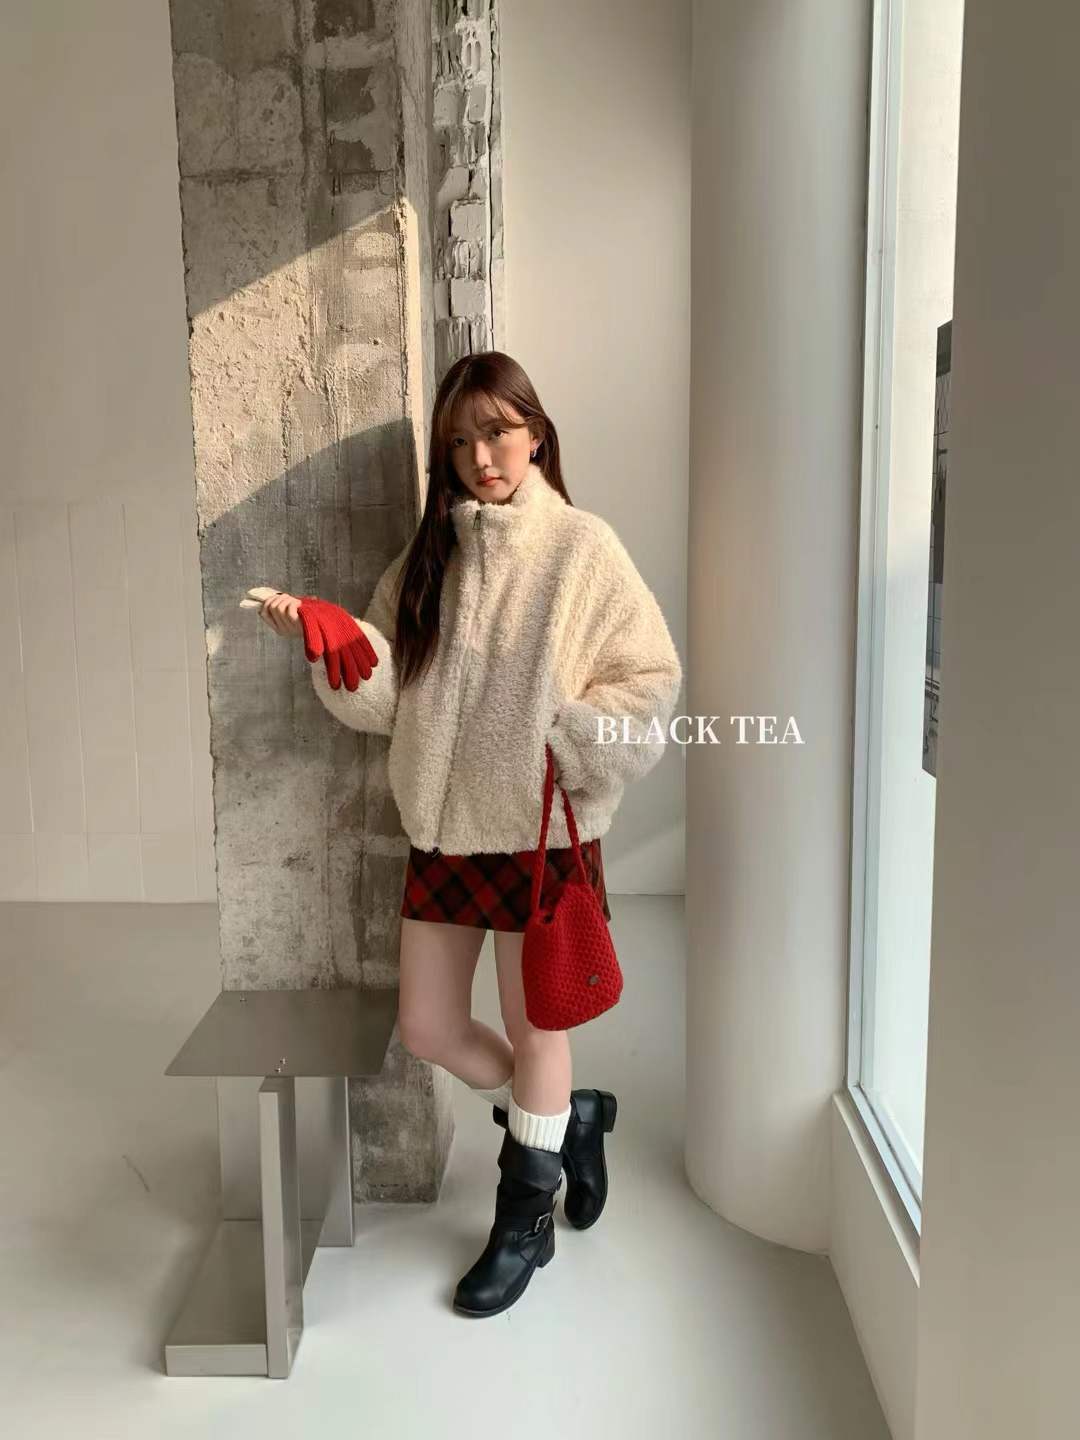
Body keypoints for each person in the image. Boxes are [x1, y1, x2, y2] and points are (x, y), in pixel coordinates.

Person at [253, 351, 682, 1319]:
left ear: (536, 433)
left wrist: (569, 737)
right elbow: (385, 698)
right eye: (459, 441)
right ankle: (569, 1117)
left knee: (539, 1033)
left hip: (538, 835)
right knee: (428, 1027)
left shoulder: (582, 548)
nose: (480, 457)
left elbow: (650, 681)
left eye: (496, 432)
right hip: (445, 833)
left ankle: (524, 1222)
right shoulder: (429, 557)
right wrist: (333, 644)